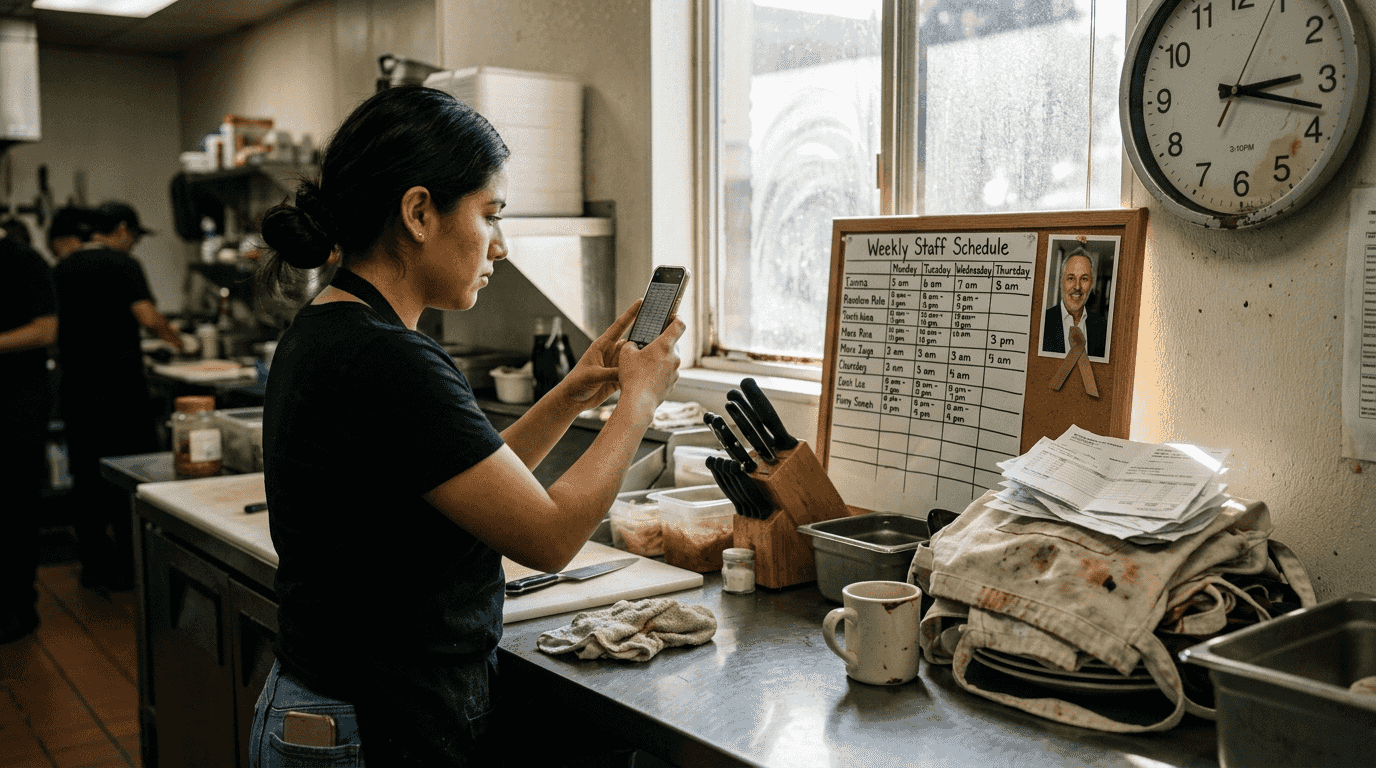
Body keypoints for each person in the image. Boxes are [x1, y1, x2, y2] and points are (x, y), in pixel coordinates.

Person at [249, 85, 683, 767]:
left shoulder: (333, 327)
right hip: (372, 721)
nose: (500, 246)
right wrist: (639, 403)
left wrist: (573, 392)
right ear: (419, 212)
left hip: (337, 709)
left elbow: (470, 480)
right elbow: (547, 536)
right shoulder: (390, 357)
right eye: (491, 214)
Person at [53, 201, 184, 591]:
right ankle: (134, 566)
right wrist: (175, 339)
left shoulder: (62, 267)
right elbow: (146, 316)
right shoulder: (122, 265)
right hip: (119, 391)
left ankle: (94, 566)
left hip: (77, 387)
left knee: (86, 478)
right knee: (130, 473)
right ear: (122, 229)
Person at [0, 227, 58, 643]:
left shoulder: (23, 261)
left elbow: (45, 330)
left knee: (14, 507)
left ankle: (17, 610)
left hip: (15, 405)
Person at [1042, 246, 1107, 358]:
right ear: (1062, 281)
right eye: (1071, 278)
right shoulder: (1042, 323)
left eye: (1084, 279)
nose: (1077, 286)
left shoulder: (1102, 327)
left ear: (1092, 284)